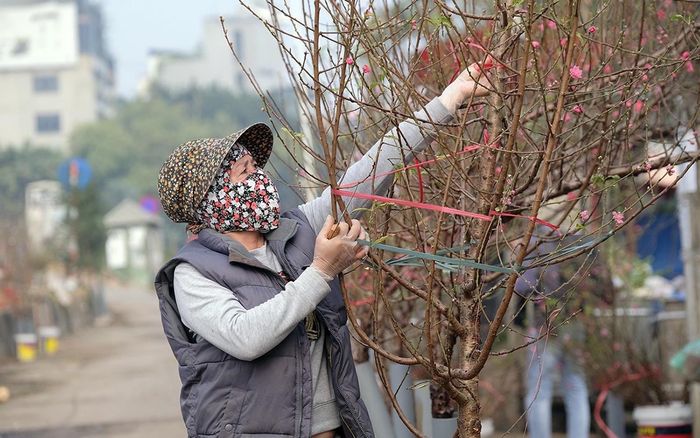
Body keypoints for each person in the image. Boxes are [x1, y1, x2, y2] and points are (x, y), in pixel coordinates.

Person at [154, 61, 491, 438]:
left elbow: (369, 171)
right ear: (213, 198)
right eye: (246, 172)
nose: (260, 178)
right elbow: (245, 337)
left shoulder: (297, 229)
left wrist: (448, 100)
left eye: (256, 168)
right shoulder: (193, 272)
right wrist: (322, 270)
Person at [516, 230, 614, 438]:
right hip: (576, 321)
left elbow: (522, 287)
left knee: (539, 391)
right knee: (576, 386)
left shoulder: (537, 242)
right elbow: (605, 287)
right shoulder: (586, 241)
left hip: (543, 324)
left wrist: (522, 316)